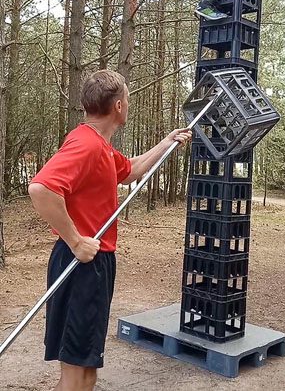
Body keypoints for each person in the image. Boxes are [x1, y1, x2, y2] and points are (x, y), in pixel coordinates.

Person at [28, 69, 192, 391]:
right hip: (80, 265)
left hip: (95, 263)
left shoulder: (100, 146)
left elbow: (129, 171)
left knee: (87, 370)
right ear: (118, 105)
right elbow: (41, 189)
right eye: (127, 100)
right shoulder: (87, 145)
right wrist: (75, 241)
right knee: (76, 374)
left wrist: (168, 141)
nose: (128, 105)